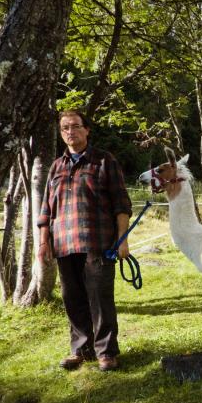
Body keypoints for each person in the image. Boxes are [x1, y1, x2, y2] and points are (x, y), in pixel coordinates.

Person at [37, 110, 132, 372]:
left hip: (98, 242)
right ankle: (81, 350)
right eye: (65, 128)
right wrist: (43, 243)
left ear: (87, 130)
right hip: (64, 244)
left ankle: (106, 353)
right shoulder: (56, 166)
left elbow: (121, 204)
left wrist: (122, 240)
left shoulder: (104, 161)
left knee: (100, 298)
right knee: (73, 298)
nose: (70, 131)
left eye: (75, 126)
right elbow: (46, 210)